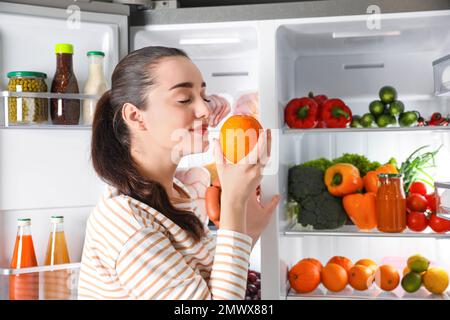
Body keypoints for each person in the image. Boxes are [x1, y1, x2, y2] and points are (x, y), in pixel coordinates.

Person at [77, 46, 279, 300]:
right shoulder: (128, 226)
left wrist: (247, 234)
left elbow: (209, 282)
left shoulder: (176, 192)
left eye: (203, 96)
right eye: (185, 99)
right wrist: (234, 203)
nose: (205, 110)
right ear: (135, 116)